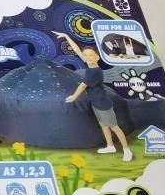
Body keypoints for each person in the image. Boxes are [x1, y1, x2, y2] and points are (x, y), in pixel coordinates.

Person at [55, 32, 133, 161]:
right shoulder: (90, 64)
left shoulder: (95, 72)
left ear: (97, 57)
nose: (87, 57)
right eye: (86, 55)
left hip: (103, 104)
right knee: (103, 125)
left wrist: (74, 96)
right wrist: (66, 37)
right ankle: (110, 146)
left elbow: (83, 85)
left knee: (114, 127)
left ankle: (127, 150)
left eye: (90, 55)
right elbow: (78, 51)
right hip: (95, 102)